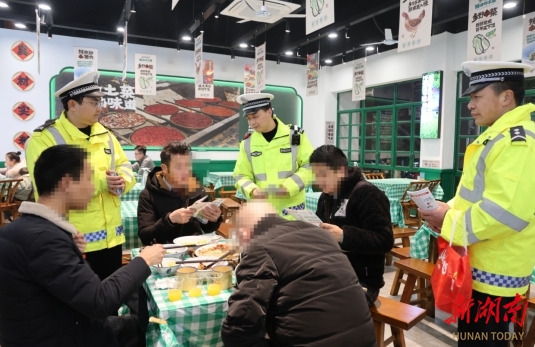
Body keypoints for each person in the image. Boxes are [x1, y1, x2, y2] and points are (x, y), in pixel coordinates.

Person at [0, 144, 165, 347]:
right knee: (152, 324)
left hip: (54, 326)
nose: (94, 187)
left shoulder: (21, 230)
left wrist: (70, 250)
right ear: (67, 183)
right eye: (89, 178)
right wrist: (144, 261)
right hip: (64, 336)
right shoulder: (43, 240)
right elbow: (99, 301)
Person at [419, 61, 535, 347]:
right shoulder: (496, 136)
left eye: (476, 96)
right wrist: (446, 209)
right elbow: (475, 194)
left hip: (497, 276)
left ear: (506, 97)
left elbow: (505, 213)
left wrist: (448, 222)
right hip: (482, 266)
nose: (470, 105)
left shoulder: (517, 143)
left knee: (484, 342)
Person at [25, 70, 136, 281]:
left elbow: (125, 165)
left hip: (111, 239)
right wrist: (103, 183)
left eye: (100, 101)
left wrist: (122, 181)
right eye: (94, 102)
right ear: (72, 105)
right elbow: (51, 188)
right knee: (77, 305)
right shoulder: (45, 138)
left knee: (109, 301)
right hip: (72, 241)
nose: (100, 107)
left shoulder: (106, 134)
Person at [221, 201, 377, 347]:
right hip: (364, 340)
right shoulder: (320, 234)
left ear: (244, 233)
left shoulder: (259, 248)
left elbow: (240, 323)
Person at [310, 145, 394, 306]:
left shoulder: (368, 194)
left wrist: (344, 236)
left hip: (361, 280)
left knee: (318, 308)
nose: (318, 181)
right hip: (330, 271)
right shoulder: (327, 196)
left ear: (341, 171)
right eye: (316, 176)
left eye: (323, 175)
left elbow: (385, 240)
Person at [233, 93, 314, 219]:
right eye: (248, 118)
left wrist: (288, 188)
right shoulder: (247, 143)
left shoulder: (295, 136)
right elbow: (240, 175)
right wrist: (252, 190)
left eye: (255, 116)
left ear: (269, 112)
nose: (252, 122)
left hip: (292, 211)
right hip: (262, 211)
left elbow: (311, 166)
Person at [137, 141, 222, 245]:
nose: (185, 171)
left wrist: (214, 219)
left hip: (195, 250)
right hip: (164, 254)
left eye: (187, 165)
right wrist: (170, 219)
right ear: (164, 168)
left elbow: (207, 228)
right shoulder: (148, 195)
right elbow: (145, 237)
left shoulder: (196, 189)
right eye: (179, 167)